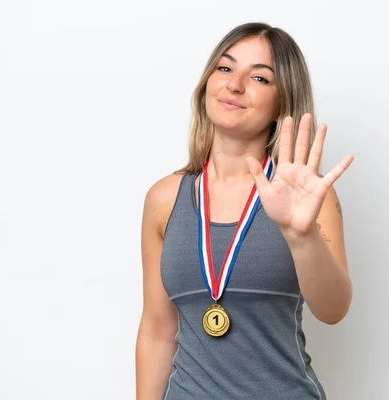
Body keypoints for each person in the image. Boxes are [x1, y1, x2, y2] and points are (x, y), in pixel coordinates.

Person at [136, 22, 354, 400]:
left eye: (259, 77)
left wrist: (302, 236)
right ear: (207, 82)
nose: (234, 85)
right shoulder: (164, 198)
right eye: (224, 68)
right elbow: (157, 330)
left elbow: (333, 309)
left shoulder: (307, 195)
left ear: (282, 103)